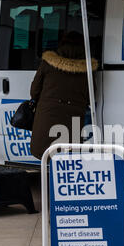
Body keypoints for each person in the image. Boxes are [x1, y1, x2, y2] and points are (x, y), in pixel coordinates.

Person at [30, 31, 98, 160]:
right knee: (68, 155)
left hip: (47, 114)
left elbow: (34, 91)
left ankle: (46, 178)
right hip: (74, 117)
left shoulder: (48, 62)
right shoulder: (87, 68)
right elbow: (91, 95)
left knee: (46, 153)